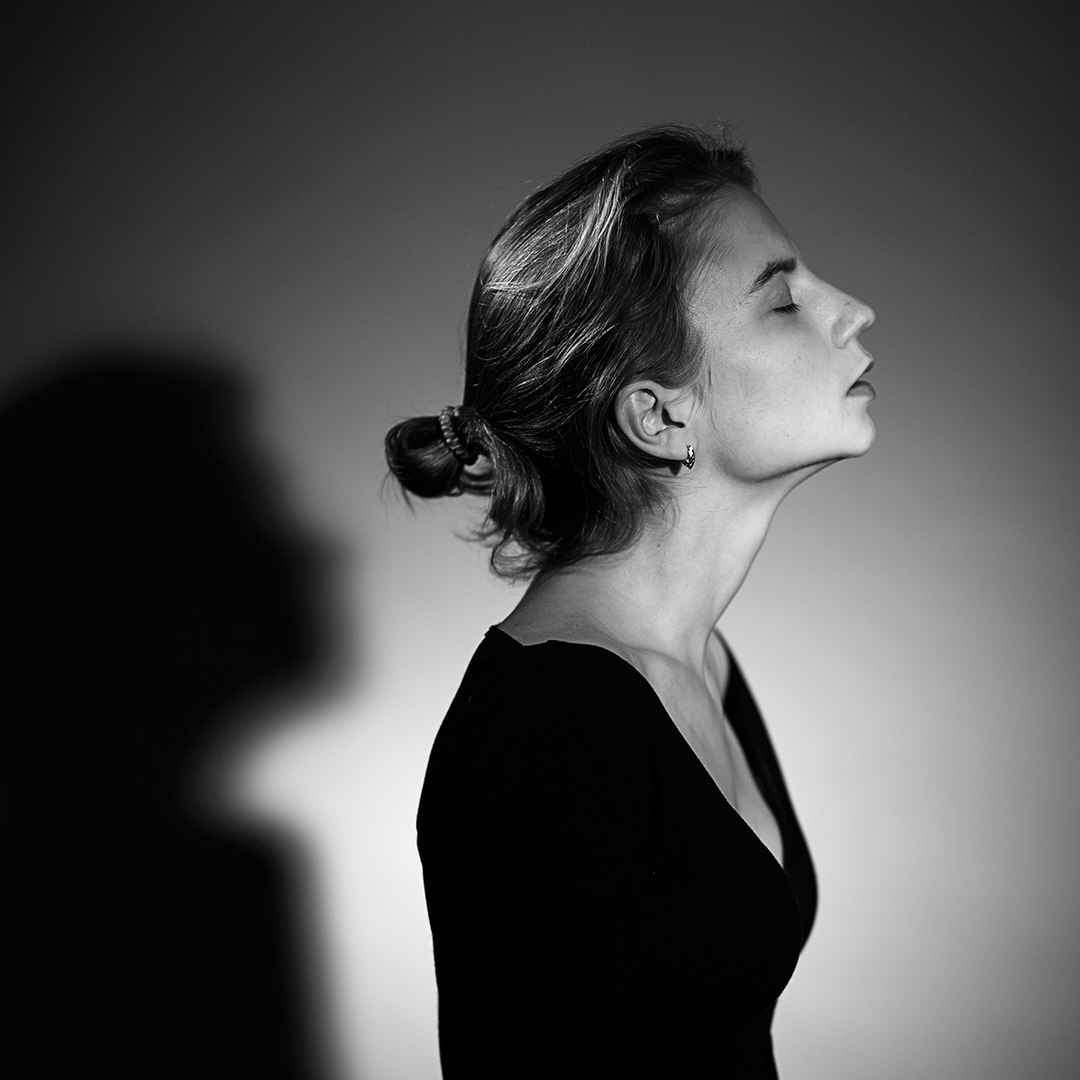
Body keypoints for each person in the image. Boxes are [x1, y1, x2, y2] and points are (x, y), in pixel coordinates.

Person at [385, 124, 876, 1078]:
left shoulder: (700, 658)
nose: (855, 311)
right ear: (657, 415)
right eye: (783, 301)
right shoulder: (553, 734)